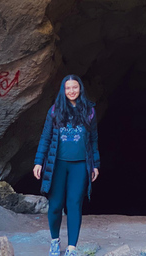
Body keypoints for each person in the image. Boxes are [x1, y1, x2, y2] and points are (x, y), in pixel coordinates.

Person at [33, 75, 100, 256]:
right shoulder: (55, 111)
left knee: (74, 204)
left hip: (80, 165)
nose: (71, 91)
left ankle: (72, 248)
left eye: (75, 87)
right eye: (68, 88)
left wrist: (95, 164)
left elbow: (93, 140)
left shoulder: (89, 111)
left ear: (80, 89)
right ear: (63, 90)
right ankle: (55, 241)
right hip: (57, 165)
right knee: (55, 205)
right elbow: (45, 138)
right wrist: (38, 162)